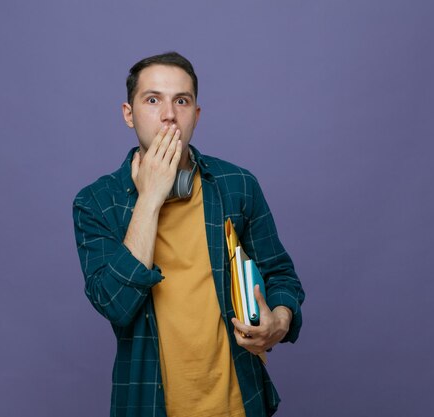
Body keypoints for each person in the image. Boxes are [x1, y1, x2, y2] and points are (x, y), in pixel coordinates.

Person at [73, 52, 305, 417]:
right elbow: (114, 304)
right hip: (150, 406)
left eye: (181, 101)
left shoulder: (237, 185)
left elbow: (281, 276)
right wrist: (150, 198)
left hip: (240, 405)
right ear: (128, 114)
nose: (169, 114)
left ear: (196, 115)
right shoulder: (96, 202)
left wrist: (278, 321)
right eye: (153, 100)